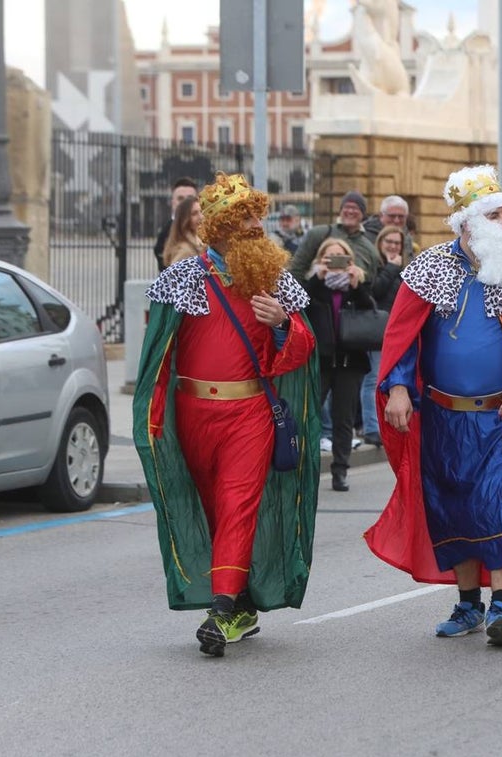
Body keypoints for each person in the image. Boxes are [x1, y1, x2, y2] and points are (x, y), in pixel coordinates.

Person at [364, 164, 502, 646]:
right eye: (493, 215)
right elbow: (402, 336)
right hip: (441, 415)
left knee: (500, 507)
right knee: (451, 506)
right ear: (466, 224)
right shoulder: (429, 268)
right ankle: (467, 603)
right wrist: (397, 388)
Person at [133, 172, 320, 657]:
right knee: (213, 507)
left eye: (259, 219)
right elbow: (157, 355)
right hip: (193, 413)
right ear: (219, 230)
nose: (258, 227)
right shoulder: (182, 279)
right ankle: (238, 603)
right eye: (246, 221)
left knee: (239, 503)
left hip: (251, 415)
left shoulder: (276, 281)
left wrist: (282, 326)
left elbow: (304, 348)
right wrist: (154, 418)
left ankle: (220, 612)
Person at [301, 238, 376, 491]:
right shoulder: (314, 286)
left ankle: (340, 470)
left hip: (349, 362)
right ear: (321, 260)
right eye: (329, 258)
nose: (335, 263)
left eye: (340, 258)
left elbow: (371, 314)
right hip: (320, 361)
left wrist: (357, 286)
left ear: (349, 261)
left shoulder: (356, 285)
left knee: (343, 420)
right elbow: (300, 307)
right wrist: (317, 277)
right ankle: (308, 469)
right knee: (311, 417)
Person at [359, 225, 408, 449]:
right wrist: (390, 268)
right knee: (373, 380)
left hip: (398, 334)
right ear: (380, 242)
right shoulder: (377, 265)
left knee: (394, 382)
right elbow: (375, 292)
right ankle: (371, 427)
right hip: (377, 332)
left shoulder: (403, 268)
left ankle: (386, 424)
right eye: (389, 241)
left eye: (397, 243)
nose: (393, 246)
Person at [290, 191, 381, 283]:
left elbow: (371, 284)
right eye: (346, 207)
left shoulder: (370, 249)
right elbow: (296, 270)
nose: (350, 211)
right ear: (340, 211)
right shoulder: (317, 234)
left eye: (355, 208)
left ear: (363, 214)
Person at [152, 176, 199, 271]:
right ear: (173, 202)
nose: (185, 204)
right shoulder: (166, 233)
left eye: (190, 199)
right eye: (180, 199)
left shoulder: (207, 230)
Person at [161, 195, 204, 268]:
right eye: (194, 213)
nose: (201, 217)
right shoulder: (185, 252)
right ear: (185, 220)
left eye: (201, 211)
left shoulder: (200, 244)